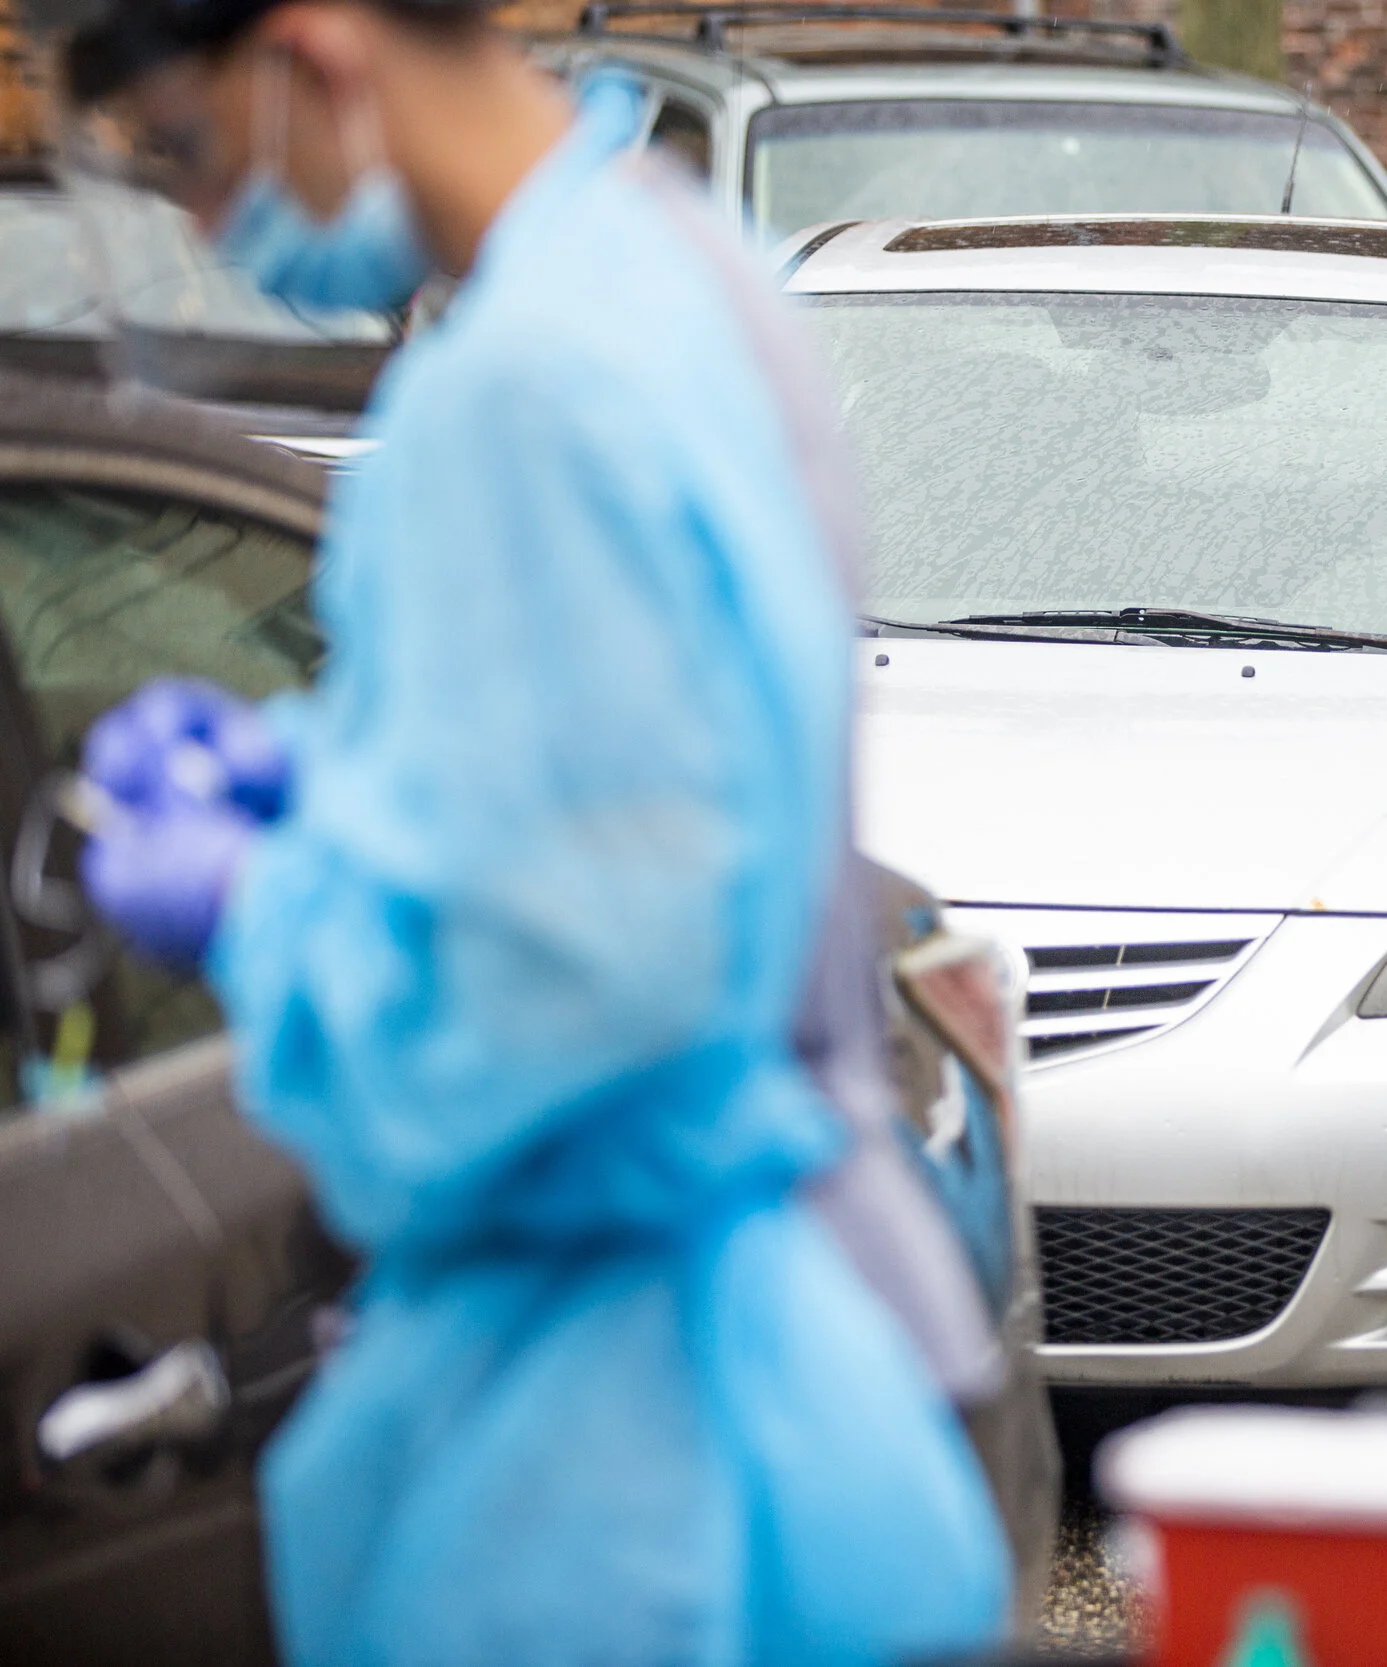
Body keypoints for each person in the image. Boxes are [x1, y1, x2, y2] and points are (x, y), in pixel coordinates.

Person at [38, 0, 1014, 1659]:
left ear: (318, 56)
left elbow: (542, 1004)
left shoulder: (517, 389)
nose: (203, 225)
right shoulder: (688, 272)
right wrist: (340, 788)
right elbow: (645, 780)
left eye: (191, 153)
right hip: (794, 1389)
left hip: (612, 1465)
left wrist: (258, 906)